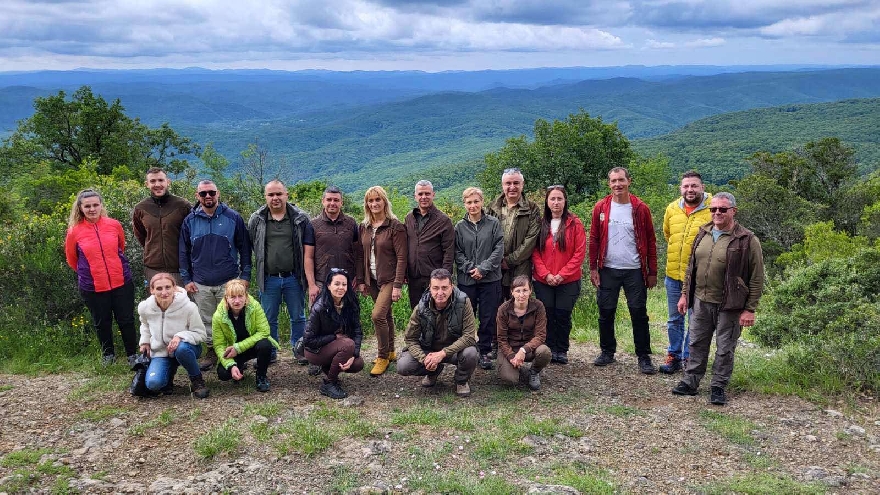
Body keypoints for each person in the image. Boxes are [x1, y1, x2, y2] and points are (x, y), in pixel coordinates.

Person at [672, 193, 764, 405]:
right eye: (713, 209)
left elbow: (757, 277)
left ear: (733, 211)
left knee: (724, 348)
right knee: (696, 342)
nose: (717, 213)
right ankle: (691, 381)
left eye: (722, 209)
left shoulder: (747, 239)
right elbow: (690, 269)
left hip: (730, 304)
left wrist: (750, 309)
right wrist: (685, 295)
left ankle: (718, 386)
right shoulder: (702, 233)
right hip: (700, 300)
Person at [588, 167, 659, 374]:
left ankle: (644, 356)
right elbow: (594, 239)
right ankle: (607, 351)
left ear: (629, 181)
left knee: (638, 313)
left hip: (634, 270)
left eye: (621, 180)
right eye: (613, 181)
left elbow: (651, 241)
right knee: (606, 312)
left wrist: (652, 270)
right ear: (609, 184)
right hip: (608, 268)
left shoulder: (640, 208)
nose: (617, 184)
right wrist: (593, 268)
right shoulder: (601, 207)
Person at [179, 180, 252, 371]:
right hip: (200, 282)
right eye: (203, 194)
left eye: (211, 192)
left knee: (234, 317)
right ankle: (212, 350)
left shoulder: (233, 217)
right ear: (197, 196)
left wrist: (245, 275)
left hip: (229, 280)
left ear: (218, 193)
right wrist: (186, 279)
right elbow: (183, 252)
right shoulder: (190, 221)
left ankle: (237, 352)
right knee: (207, 319)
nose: (208, 196)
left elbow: (245, 248)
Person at [65, 189, 138, 366]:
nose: (92, 209)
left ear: (101, 205)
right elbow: (72, 259)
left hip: (121, 281)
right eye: (87, 206)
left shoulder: (114, 225)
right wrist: (91, 273)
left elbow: (120, 247)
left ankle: (132, 354)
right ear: (80, 208)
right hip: (93, 286)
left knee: (126, 319)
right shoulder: (74, 232)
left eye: (95, 205)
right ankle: (108, 355)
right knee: (101, 322)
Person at [248, 180, 316, 364]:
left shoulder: (300, 218)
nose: (275, 198)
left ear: (286, 195)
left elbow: (307, 247)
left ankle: (299, 349)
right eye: (271, 195)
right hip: (269, 278)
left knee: (298, 316)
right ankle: (270, 352)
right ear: (265, 197)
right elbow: (253, 245)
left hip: (294, 277)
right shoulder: (257, 219)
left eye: (279, 194)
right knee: (269, 318)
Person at [660, 171, 712, 374]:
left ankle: (690, 357)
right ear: (681, 188)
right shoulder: (672, 208)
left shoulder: (711, 210)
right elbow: (668, 234)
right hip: (674, 274)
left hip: (700, 277)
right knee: (674, 318)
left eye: (694, 186)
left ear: (702, 187)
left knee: (696, 319)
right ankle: (674, 355)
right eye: (686, 186)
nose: (690, 190)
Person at [397, 269, 478, 398]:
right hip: (429, 349)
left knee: (471, 353)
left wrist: (442, 354)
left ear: (452, 287)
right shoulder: (421, 307)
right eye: (436, 288)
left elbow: (469, 336)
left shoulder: (463, 302)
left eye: (444, 288)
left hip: (454, 350)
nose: (440, 293)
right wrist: (425, 360)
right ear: (430, 288)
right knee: (403, 365)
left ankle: (461, 380)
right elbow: (410, 339)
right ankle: (434, 370)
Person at [531, 185, 586, 365]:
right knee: (546, 314)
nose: (556, 202)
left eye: (559, 199)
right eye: (552, 199)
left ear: (565, 201)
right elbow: (535, 252)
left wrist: (562, 275)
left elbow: (579, 253)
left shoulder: (574, 223)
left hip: (568, 280)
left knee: (563, 315)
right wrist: (546, 274)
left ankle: (561, 349)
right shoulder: (540, 223)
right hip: (543, 279)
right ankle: (547, 349)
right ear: (547, 202)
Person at [356, 186, 407, 376]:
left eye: (378, 199)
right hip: (373, 279)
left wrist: (397, 285)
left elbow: (402, 257)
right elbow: (360, 255)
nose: (374, 203)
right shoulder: (365, 227)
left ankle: (382, 356)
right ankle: (392, 350)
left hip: (389, 279)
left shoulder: (395, 226)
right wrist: (362, 281)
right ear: (367, 204)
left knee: (377, 316)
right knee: (386, 316)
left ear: (384, 201)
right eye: (371, 201)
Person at [454, 187, 504, 370]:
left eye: (476, 201)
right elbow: (457, 252)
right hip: (467, 281)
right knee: (466, 317)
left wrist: (483, 268)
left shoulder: (493, 223)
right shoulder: (459, 227)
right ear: (464, 204)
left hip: (490, 279)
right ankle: (467, 351)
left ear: (482, 202)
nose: (473, 205)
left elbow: (499, 249)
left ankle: (484, 351)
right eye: (469, 202)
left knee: (488, 316)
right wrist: (470, 269)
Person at [137, 272, 209, 399]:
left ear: (174, 288)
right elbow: (145, 325)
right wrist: (145, 342)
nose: (164, 292)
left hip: (187, 349)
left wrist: (180, 336)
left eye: (168, 287)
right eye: (159, 288)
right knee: (153, 384)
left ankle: (197, 380)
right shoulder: (145, 308)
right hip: (160, 352)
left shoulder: (188, 307)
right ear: (152, 290)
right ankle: (169, 372)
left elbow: (201, 334)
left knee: (181, 349)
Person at [303, 268, 365, 399]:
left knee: (358, 363)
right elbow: (308, 341)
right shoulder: (319, 307)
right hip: (315, 351)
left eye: (344, 284)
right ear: (328, 285)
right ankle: (329, 383)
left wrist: (354, 354)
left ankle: (330, 370)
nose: (340, 288)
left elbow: (357, 331)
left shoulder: (350, 304)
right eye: (336, 284)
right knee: (347, 344)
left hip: (335, 347)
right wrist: (334, 337)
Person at [211, 279, 279, 392]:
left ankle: (261, 376)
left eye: (240, 296)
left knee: (265, 345)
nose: (237, 301)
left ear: (246, 297)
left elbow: (264, 331)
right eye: (232, 297)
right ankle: (238, 367)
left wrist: (238, 347)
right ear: (226, 298)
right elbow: (219, 345)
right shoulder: (218, 316)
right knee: (223, 374)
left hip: (251, 346)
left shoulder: (255, 307)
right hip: (232, 350)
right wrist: (231, 365)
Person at [486, 167, 541, 300]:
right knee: (496, 308)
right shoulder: (492, 207)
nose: (512, 187)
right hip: (495, 267)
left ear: (522, 185)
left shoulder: (532, 209)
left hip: (520, 267)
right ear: (502, 185)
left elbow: (531, 240)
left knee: (519, 308)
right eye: (508, 183)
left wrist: (509, 261)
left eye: (516, 183)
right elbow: (485, 236)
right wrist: (495, 260)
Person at [132, 168, 192, 286]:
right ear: (147, 184)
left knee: (182, 303)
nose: (157, 184)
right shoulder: (141, 208)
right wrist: (153, 250)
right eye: (153, 181)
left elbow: (192, 235)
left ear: (168, 182)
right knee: (155, 303)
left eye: (161, 180)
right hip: (153, 268)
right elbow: (141, 235)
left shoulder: (183, 205)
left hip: (180, 268)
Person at [404, 180, 454, 309]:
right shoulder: (409, 218)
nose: (424, 197)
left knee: (436, 311)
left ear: (433, 194)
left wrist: (445, 278)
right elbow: (404, 246)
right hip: (413, 275)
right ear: (415, 196)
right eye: (420, 194)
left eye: (427, 193)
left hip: (434, 277)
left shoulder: (443, 220)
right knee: (417, 311)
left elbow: (449, 251)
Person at [495, 275, 551, 391]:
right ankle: (518, 369)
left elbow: (540, 335)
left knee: (544, 352)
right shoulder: (503, 309)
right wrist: (511, 356)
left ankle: (534, 371)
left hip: (530, 347)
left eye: (525, 290)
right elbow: (501, 339)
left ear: (530, 291)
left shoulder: (538, 306)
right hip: (510, 348)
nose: (522, 295)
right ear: (512, 292)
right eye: (518, 291)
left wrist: (524, 349)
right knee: (510, 380)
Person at [309, 186, 361, 304]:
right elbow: (308, 257)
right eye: (329, 200)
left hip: (347, 283)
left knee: (349, 319)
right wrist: (312, 285)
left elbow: (358, 252)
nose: (332, 203)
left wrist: (358, 276)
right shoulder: (313, 225)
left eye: (336, 200)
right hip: (321, 282)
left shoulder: (351, 223)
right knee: (320, 319)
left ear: (341, 202)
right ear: (323, 201)